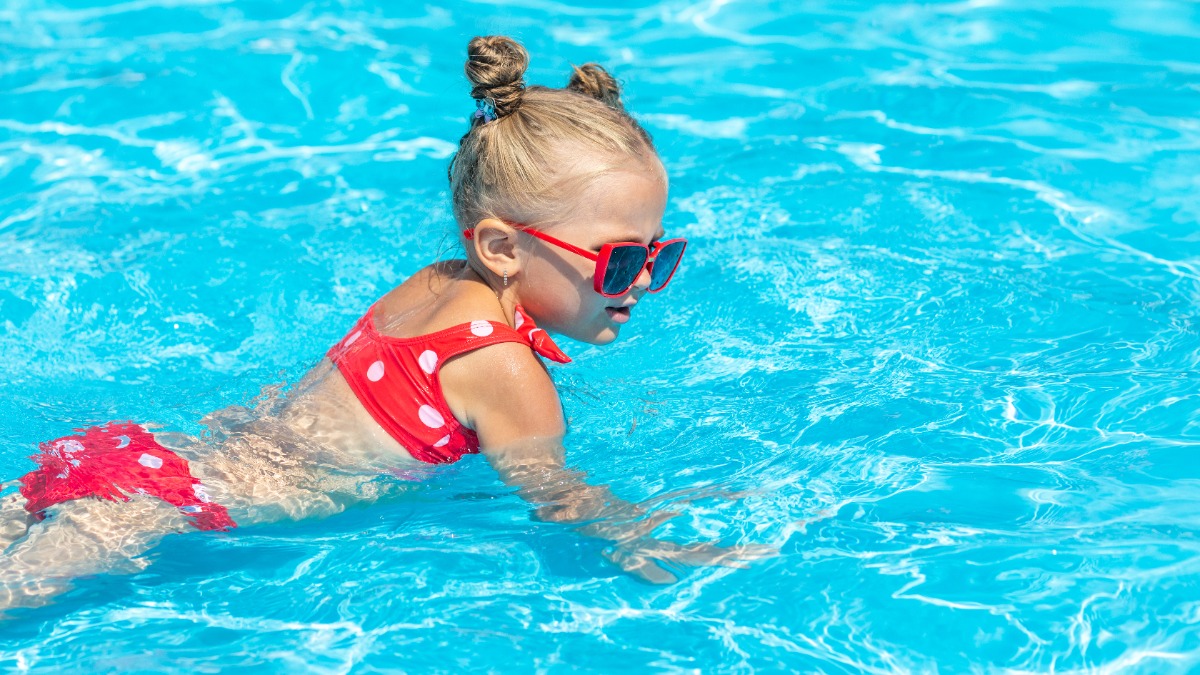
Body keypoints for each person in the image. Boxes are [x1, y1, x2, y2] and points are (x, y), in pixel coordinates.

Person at [0, 36, 769, 612]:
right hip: (167, 510)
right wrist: (647, 534)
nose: (641, 282)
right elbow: (558, 495)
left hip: (147, 457)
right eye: (621, 258)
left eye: (659, 255)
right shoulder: (507, 370)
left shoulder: (433, 285)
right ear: (502, 246)